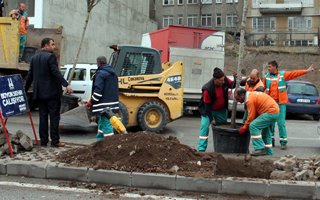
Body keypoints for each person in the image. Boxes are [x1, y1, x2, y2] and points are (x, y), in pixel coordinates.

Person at [25, 38, 72, 147]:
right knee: (54, 117)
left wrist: (25, 90)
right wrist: (66, 84)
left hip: (39, 94)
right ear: (46, 46)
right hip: (52, 93)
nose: (54, 46)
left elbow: (30, 76)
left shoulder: (34, 58)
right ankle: (55, 141)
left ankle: (44, 141)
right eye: (52, 44)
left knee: (43, 117)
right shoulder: (50, 57)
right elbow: (56, 72)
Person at [264, 60, 314, 150]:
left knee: (281, 123)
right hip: (270, 104)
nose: (268, 68)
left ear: (275, 67)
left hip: (280, 104)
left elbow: (294, 73)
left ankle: (283, 142)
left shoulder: (282, 75)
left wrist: (306, 71)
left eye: (270, 67)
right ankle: (270, 141)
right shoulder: (266, 76)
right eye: (268, 67)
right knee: (270, 123)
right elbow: (261, 86)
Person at [197, 67, 237, 152]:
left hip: (221, 111)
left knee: (223, 129)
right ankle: (201, 149)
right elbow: (207, 106)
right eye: (221, 81)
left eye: (223, 80)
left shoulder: (224, 79)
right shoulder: (207, 89)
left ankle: (222, 148)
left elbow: (232, 85)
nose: (223, 82)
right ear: (215, 79)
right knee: (204, 128)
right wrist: (211, 119)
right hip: (208, 111)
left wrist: (235, 78)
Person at [234, 88, 279, 156]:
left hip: (270, 112)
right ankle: (269, 154)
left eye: (238, 99)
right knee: (265, 132)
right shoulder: (251, 95)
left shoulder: (249, 100)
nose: (238, 101)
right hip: (274, 111)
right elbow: (255, 113)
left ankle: (259, 149)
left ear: (242, 95)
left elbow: (251, 116)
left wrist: (244, 127)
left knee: (253, 126)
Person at [87, 56, 119, 141]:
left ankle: (110, 143)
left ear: (98, 63)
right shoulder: (113, 73)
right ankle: (100, 141)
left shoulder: (100, 74)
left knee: (106, 123)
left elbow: (98, 90)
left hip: (103, 105)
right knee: (101, 122)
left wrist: (92, 101)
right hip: (112, 103)